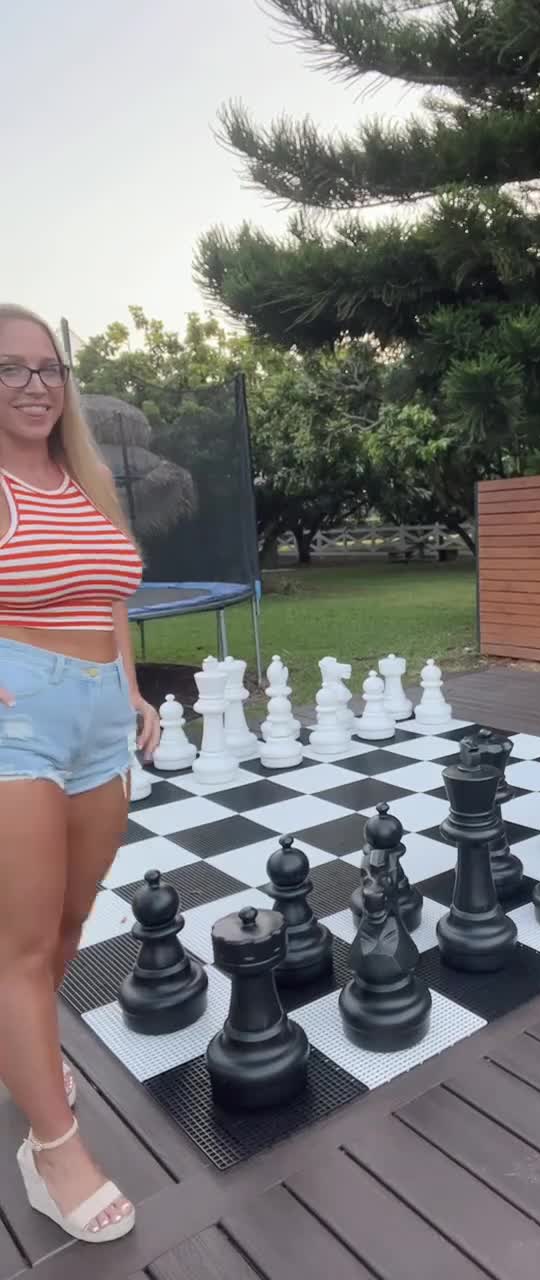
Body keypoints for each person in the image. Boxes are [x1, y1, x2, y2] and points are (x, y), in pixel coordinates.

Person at [0, 303, 160, 1244]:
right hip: (15, 721)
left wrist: (131, 691)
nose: (35, 385)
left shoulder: (83, 480)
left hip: (100, 717)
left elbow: (108, 603)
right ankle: (53, 1149)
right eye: (10, 369)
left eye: (48, 368)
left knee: (64, 925)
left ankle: (21, 1049)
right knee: (19, 946)